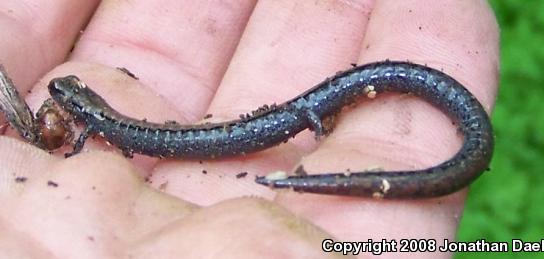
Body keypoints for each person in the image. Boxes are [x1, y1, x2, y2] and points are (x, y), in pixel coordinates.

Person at [0, 0, 498, 258]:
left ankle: (349, 101)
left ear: (77, 106)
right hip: (287, 118)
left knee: (307, 108)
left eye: (63, 97)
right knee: (307, 108)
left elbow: (80, 141)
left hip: (285, 119)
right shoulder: (94, 122)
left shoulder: (89, 125)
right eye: (63, 95)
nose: (58, 100)